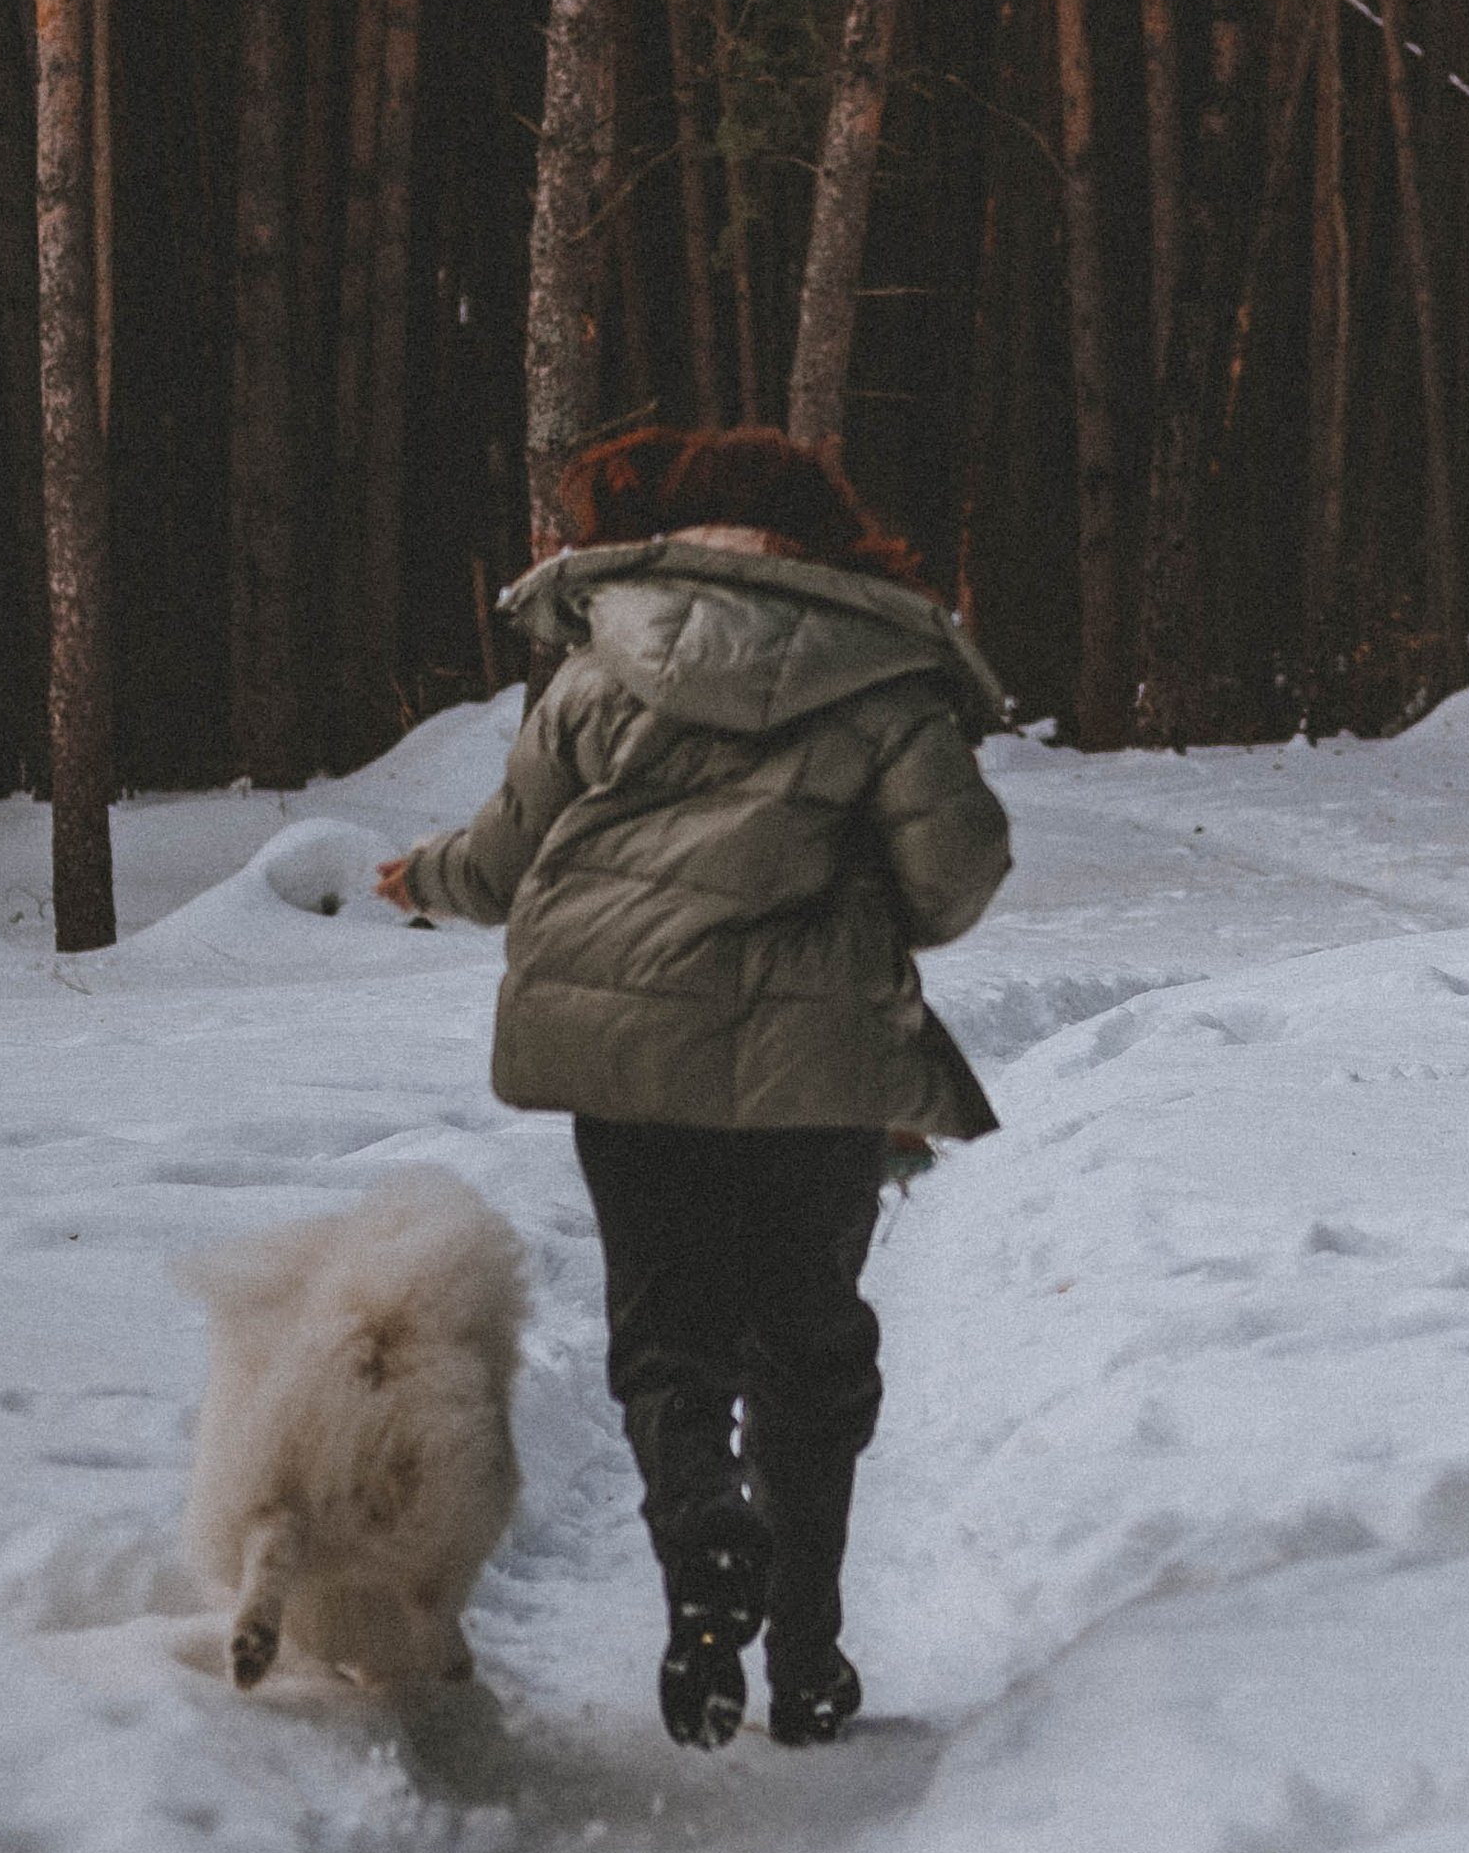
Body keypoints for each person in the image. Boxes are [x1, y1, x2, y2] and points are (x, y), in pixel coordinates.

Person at [378, 424, 1009, 1751]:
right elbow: (955, 877)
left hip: (632, 1056)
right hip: (817, 1066)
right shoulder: (886, 675)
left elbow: (500, 865)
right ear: (815, 527)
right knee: (808, 1344)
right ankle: (813, 1657)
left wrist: (417, 876)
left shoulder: (604, 662)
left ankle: (704, 1553)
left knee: (671, 1336)